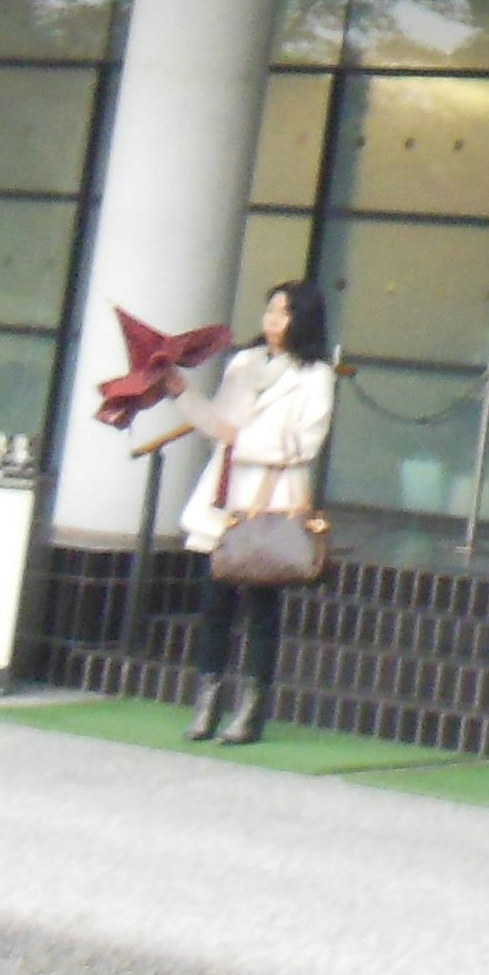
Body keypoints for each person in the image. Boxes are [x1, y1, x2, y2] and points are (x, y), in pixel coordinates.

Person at [165, 280, 336, 745]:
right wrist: (180, 391)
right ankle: (207, 704)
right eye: (271, 311)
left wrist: (243, 441)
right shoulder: (246, 362)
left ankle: (251, 711)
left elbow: (306, 442)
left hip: (273, 500)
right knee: (214, 605)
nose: (273, 320)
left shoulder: (316, 374)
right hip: (224, 499)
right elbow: (222, 425)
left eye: (284, 313)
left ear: (304, 320)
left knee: (262, 608)